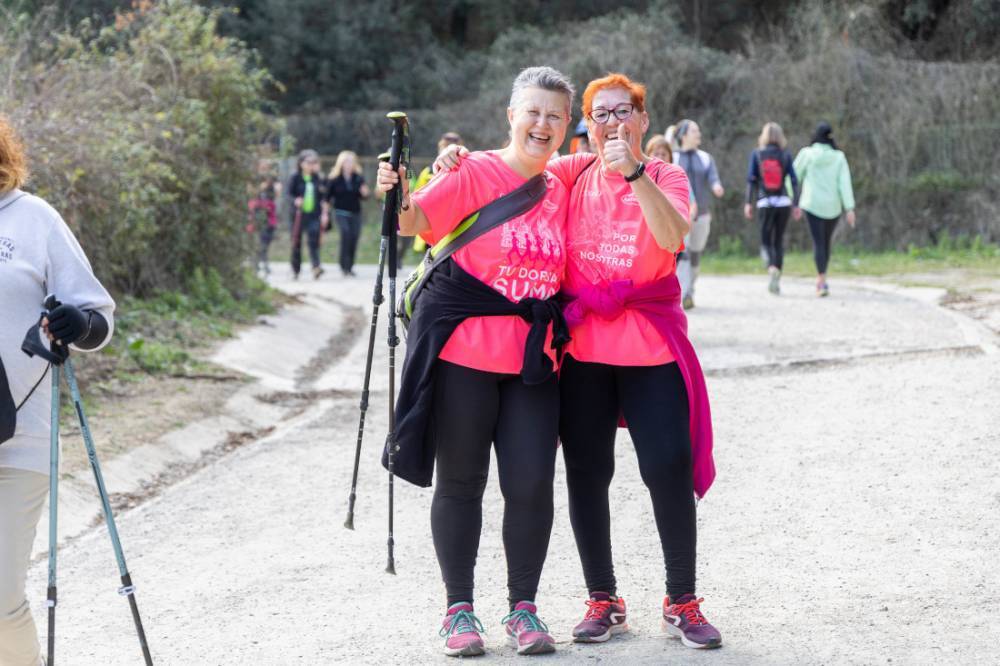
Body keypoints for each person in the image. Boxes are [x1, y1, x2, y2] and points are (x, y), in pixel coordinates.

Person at [436, 72, 721, 651]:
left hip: (650, 347)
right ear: (585, 128)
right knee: (588, 476)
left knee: (667, 467)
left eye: (623, 111)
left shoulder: (665, 174)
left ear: (642, 120)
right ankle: (603, 598)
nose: (611, 122)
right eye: (599, 113)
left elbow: (673, 238)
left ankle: (682, 599)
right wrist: (454, 158)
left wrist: (634, 173)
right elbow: (515, 164)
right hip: (584, 351)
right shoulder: (570, 174)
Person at [377, 66, 574, 657]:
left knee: (532, 483)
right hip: (465, 354)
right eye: (532, 112)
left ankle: (524, 610)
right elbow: (414, 221)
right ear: (510, 116)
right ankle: (459, 612)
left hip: (534, 361)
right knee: (462, 482)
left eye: (554, 116)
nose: (542, 124)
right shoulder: (475, 171)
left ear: (567, 128)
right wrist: (400, 188)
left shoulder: (563, 183)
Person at [0, 115, 116, 666]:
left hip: (20, 442)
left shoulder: (33, 219)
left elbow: (97, 317)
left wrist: (77, 324)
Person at [793, 121, 856, 297]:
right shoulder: (839, 157)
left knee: (818, 242)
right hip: (833, 207)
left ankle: (821, 280)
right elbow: (844, 184)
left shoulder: (807, 154)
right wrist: (849, 208)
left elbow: (792, 177)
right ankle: (823, 278)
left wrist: (793, 200)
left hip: (812, 204)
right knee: (825, 243)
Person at [743, 122, 799, 295]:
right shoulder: (785, 155)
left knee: (766, 240)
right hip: (783, 202)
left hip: (764, 202)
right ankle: (777, 273)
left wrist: (748, 203)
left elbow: (751, 181)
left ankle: (771, 267)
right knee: (778, 240)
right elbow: (794, 181)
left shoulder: (757, 154)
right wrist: (796, 203)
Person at [673, 119, 723, 310]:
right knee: (683, 252)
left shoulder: (705, 157)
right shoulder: (674, 158)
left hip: (702, 215)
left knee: (695, 253)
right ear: (684, 135)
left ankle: (690, 289)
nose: (698, 134)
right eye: (694, 131)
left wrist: (716, 186)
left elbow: (713, 177)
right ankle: (684, 293)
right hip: (681, 216)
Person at [411, 133, 464, 257]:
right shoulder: (428, 172)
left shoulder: (466, 169)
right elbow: (416, 199)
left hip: (456, 227)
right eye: (444, 147)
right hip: (432, 225)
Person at [325, 151, 370, 277]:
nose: (349, 164)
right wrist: (325, 214)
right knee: (346, 234)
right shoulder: (334, 179)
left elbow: (364, 197)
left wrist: (365, 193)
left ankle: (350, 267)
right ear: (341, 163)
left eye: (351, 161)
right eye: (346, 161)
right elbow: (327, 198)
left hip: (355, 213)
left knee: (354, 237)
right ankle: (343, 265)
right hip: (340, 212)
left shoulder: (358, 177)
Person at [286, 149, 328, 280]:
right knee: (296, 242)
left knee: (313, 241)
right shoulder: (295, 177)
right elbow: (288, 195)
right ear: (301, 163)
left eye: (314, 162)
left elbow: (324, 195)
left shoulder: (318, 178)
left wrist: (325, 212)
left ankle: (316, 267)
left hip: (314, 215)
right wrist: (295, 200)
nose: (311, 165)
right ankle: (296, 269)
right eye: (309, 162)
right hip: (298, 215)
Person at [248, 174, 280, 276]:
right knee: (260, 243)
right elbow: (252, 203)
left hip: (270, 220)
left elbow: (276, 197)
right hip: (258, 220)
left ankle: (261, 263)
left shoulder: (271, 191)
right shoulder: (254, 193)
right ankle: (259, 264)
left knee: (265, 243)